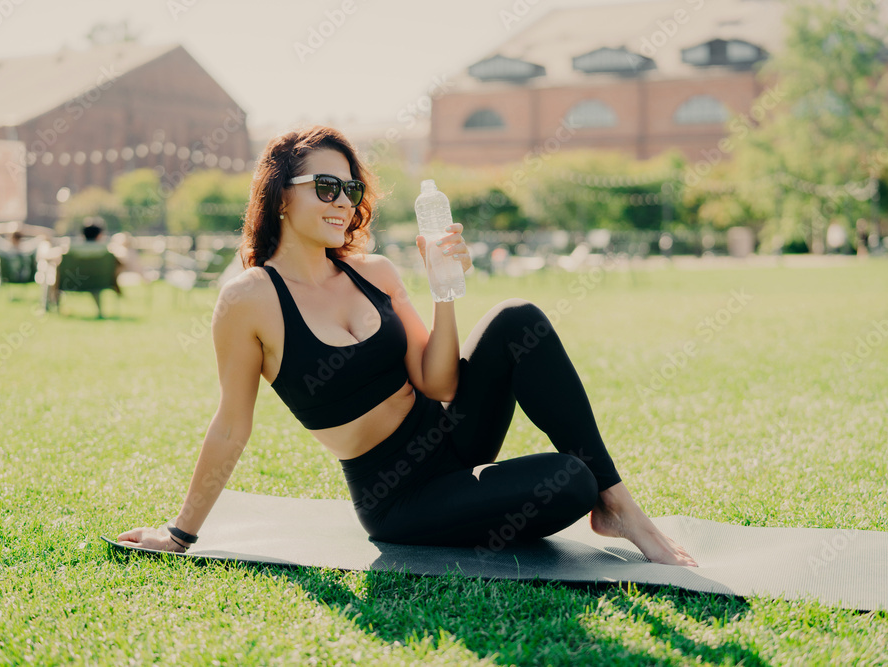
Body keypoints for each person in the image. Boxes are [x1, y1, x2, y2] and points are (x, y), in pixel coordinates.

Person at [117, 126, 697, 567]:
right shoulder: (250, 300)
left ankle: (619, 506)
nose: (343, 201)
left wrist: (443, 287)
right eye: (325, 187)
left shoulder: (373, 271)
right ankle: (592, 495)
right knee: (568, 479)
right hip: (399, 496)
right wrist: (181, 533)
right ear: (280, 198)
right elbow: (231, 424)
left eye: (350, 188)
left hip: (449, 434)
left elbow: (440, 384)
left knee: (518, 318)